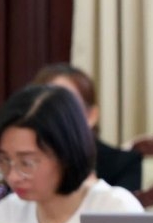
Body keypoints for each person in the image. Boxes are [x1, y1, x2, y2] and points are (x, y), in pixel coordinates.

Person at [0, 84, 143, 223]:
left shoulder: (115, 209)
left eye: (27, 162)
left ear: (66, 153)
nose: (14, 176)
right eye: (5, 160)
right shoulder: (6, 211)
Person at [32, 63, 142, 192]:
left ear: (91, 115)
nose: (58, 115)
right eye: (49, 106)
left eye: (68, 106)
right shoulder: (22, 158)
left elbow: (124, 208)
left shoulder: (123, 163)